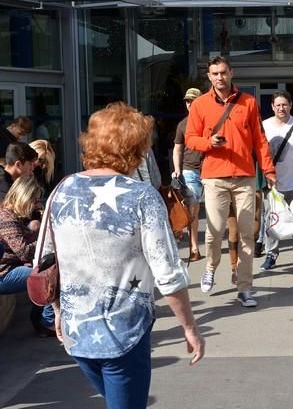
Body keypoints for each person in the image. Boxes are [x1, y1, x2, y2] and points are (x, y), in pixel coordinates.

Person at [39, 102, 203, 408]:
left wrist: (58, 311)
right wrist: (189, 327)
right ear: (136, 148)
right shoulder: (142, 196)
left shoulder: (62, 189)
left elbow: (48, 260)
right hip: (124, 330)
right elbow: (167, 270)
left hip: (76, 329)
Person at [185, 56, 275, 307]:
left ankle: (245, 287)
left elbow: (260, 139)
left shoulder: (248, 102)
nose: (219, 77)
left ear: (231, 73)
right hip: (214, 177)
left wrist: (268, 169)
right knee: (214, 232)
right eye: (214, 74)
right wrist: (208, 143)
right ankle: (211, 267)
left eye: (223, 72)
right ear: (209, 76)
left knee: (247, 234)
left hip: (245, 177)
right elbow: (190, 138)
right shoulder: (201, 105)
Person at [260, 90, 293, 276]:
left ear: (290, 105)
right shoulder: (264, 125)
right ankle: (271, 255)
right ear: (272, 107)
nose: (281, 108)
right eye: (278, 105)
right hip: (272, 184)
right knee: (272, 220)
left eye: (285, 105)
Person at [0, 175, 55, 337]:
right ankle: (45, 321)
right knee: (48, 276)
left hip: (10, 268)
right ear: (24, 196)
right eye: (34, 200)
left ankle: (42, 318)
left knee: (47, 271)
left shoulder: (12, 215)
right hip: (3, 274)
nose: (36, 205)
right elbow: (23, 251)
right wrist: (44, 239)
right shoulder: (6, 218)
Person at [172, 87, 204, 262]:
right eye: (187, 101)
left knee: (216, 212)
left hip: (210, 170)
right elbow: (177, 149)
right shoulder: (182, 124)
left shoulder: (209, 121)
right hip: (190, 170)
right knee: (192, 208)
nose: (190, 104)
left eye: (193, 100)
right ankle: (194, 248)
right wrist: (177, 169)